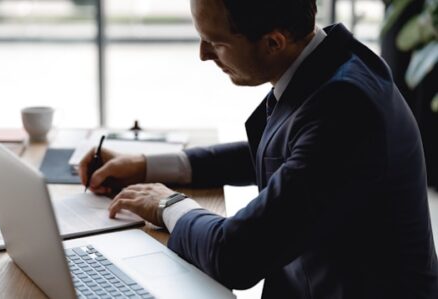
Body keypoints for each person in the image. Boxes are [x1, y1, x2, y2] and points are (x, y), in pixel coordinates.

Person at [79, 0, 438, 297]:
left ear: (273, 42)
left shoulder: (344, 108)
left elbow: (236, 255)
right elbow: (282, 155)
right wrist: (144, 165)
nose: (203, 54)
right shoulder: (328, 63)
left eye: (216, 43)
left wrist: (167, 204)